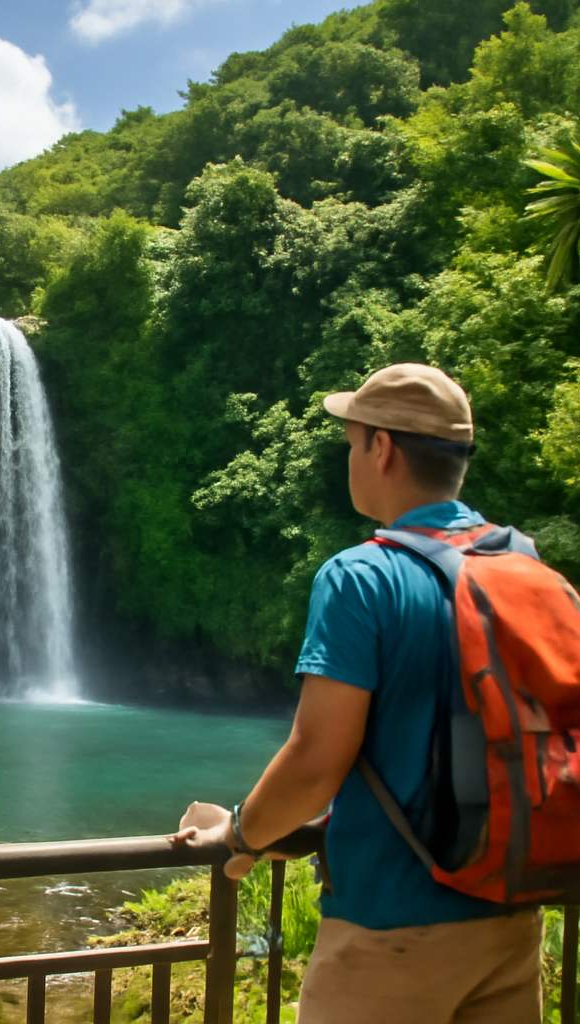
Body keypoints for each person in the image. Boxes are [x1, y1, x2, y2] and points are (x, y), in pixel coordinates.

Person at [174, 364, 542, 1023]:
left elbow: (317, 759)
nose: (349, 457)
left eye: (351, 441)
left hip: (392, 930)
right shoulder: (521, 564)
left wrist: (241, 836)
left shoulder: (362, 577)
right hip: (509, 920)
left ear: (382, 447)